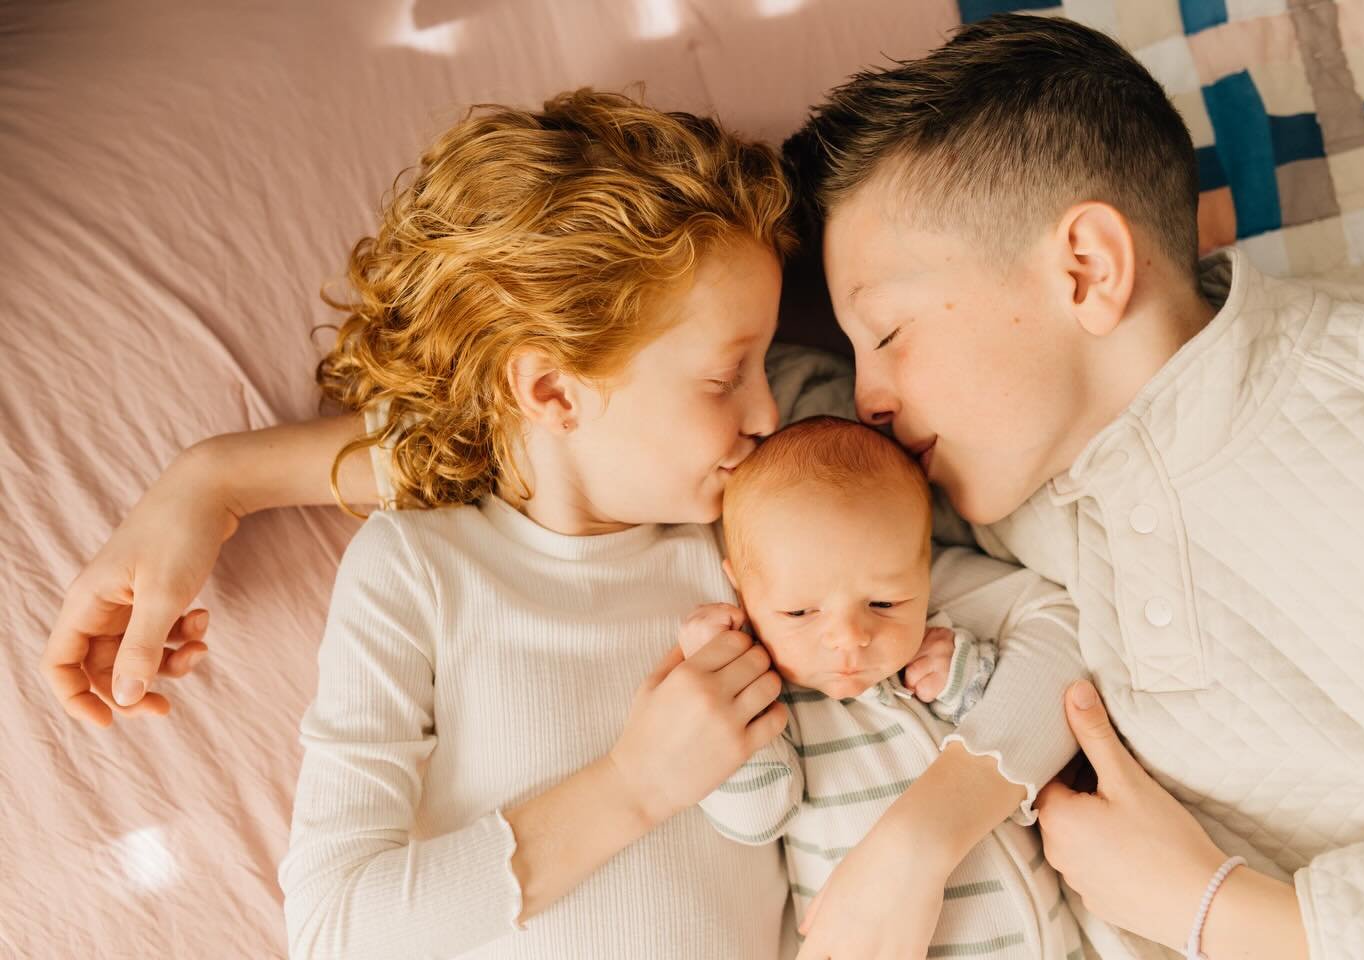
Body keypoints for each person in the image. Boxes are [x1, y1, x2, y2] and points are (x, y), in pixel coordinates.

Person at [44, 87, 1082, 959]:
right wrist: (633, 788)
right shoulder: (417, 571)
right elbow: (337, 925)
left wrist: (915, 847)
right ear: (551, 392)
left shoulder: (761, 536)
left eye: (766, 366)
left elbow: (1061, 637)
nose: (772, 412)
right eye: (728, 375)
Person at [794, 14, 1364, 959]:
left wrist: (1217, 911)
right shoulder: (985, 487)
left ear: (1085, 270)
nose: (867, 397)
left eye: (887, 333)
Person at [682, 415, 1084, 959]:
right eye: (799, 611)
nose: (850, 638)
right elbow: (756, 817)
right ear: (743, 587)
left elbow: (1063, 623)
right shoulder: (773, 689)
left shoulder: (937, 606)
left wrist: (964, 672)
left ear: (924, 563)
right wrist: (723, 681)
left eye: (885, 603)